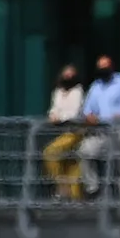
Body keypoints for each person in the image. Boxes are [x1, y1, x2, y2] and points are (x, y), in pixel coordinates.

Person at [83, 53, 120, 200]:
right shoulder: (95, 86)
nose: (103, 70)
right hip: (101, 130)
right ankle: (93, 187)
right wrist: (89, 115)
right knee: (86, 151)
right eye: (100, 67)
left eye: (106, 67)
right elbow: (87, 108)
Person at [38, 62, 88, 198]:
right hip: (59, 132)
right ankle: (70, 193)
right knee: (71, 164)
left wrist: (60, 118)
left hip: (75, 131)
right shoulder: (58, 91)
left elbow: (74, 112)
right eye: (66, 75)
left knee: (51, 152)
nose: (68, 78)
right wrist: (53, 115)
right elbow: (54, 108)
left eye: (71, 75)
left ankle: (62, 185)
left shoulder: (78, 91)